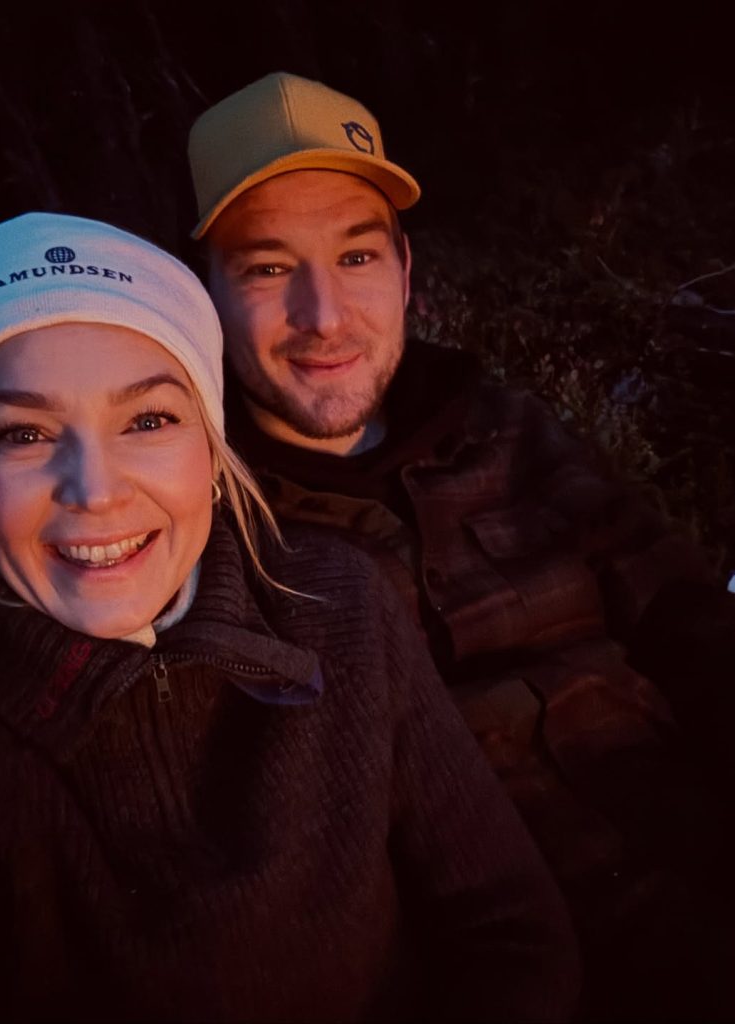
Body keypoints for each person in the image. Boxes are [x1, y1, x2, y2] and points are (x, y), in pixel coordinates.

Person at [188, 72, 735, 1021]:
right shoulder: (199, 524)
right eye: (268, 269)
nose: (325, 315)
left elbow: (685, 617)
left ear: (405, 271)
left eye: (356, 255)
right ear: (203, 294)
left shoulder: (505, 429)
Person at [0, 211, 580, 1023]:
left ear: (211, 448)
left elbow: (508, 930)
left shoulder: (335, 604)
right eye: (24, 433)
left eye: (149, 420)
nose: (97, 490)